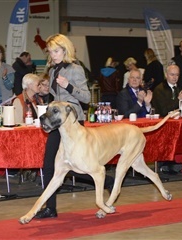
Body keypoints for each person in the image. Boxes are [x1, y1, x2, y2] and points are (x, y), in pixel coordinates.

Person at [35, 34, 114, 219]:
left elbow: (87, 98)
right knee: (49, 165)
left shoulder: (75, 69)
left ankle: (108, 181)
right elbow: (57, 97)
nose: (53, 55)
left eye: (56, 51)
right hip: (57, 122)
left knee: (78, 166)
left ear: (65, 50)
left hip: (73, 123)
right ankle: (50, 208)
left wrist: (69, 86)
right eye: (51, 51)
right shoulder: (53, 70)